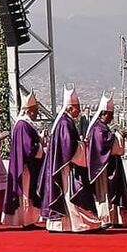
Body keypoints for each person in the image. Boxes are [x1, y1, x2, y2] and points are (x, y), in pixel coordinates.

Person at [40, 87, 102, 233]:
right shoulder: (65, 123)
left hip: (64, 164)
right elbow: (69, 146)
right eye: (77, 107)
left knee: (67, 194)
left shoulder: (64, 122)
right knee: (70, 193)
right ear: (70, 107)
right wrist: (83, 145)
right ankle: (79, 224)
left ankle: (65, 224)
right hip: (66, 166)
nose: (79, 111)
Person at [85, 93, 127, 228]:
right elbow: (107, 145)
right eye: (110, 114)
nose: (112, 117)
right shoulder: (98, 129)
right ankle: (105, 218)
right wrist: (119, 136)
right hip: (103, 167)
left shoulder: (102, 127)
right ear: (103, 114)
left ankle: (115, 218)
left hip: (110, 164)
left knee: (114, 192)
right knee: (106, 193)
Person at [3, 92, 45, 228]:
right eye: (35, 111)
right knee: (26, 191)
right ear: (28, 111)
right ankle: (26, 220)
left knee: (29, 191)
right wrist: (40, 146)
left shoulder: (26, 124)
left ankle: (29, 219)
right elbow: (27, 148)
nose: (36, 114)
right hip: (25, 166)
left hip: (28, 164)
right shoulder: (23, 125)